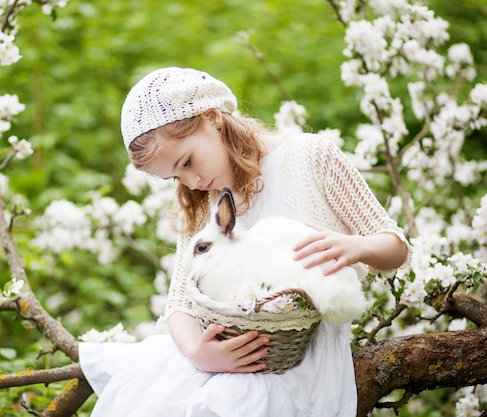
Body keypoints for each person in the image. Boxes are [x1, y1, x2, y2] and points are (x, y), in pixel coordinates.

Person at [79, 67, 410, 416]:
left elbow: (395, 247)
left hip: (300, 360)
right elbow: (179, 301)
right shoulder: (204, 202)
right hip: (227, 357)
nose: (191, 181)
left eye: (188, 161)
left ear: (211, 118)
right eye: (176, 176)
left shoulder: (310, 156)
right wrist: (197, 353)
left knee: (231, 404)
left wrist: (355, 247)